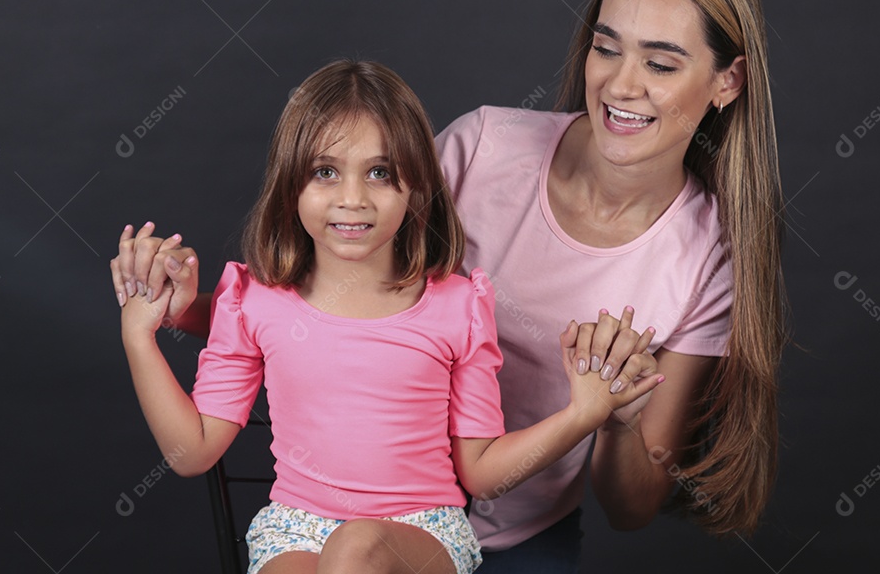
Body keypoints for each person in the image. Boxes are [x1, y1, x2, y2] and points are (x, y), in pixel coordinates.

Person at [114, 0, 789, 572]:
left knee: (358, 549)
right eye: (607, 48)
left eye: (662, 62)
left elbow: (629, 503)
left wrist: (612, 414)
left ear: (727, 81)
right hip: (322, 527)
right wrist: (180, 314)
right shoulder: (484, 148)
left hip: (505, 532)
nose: (621, 85)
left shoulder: (706, 259)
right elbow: (325, 294)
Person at [113, 59, 663, 574]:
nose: (352, 198)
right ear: (290, 186)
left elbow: (483, 473)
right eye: (325, 171)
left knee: (356, 550)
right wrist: (141, 336)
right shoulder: (252, 298)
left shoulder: (456, 305)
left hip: (422, 531)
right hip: (295, 529)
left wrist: (583, 414)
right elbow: (193, 452)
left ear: (416, 187)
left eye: (379, 172)